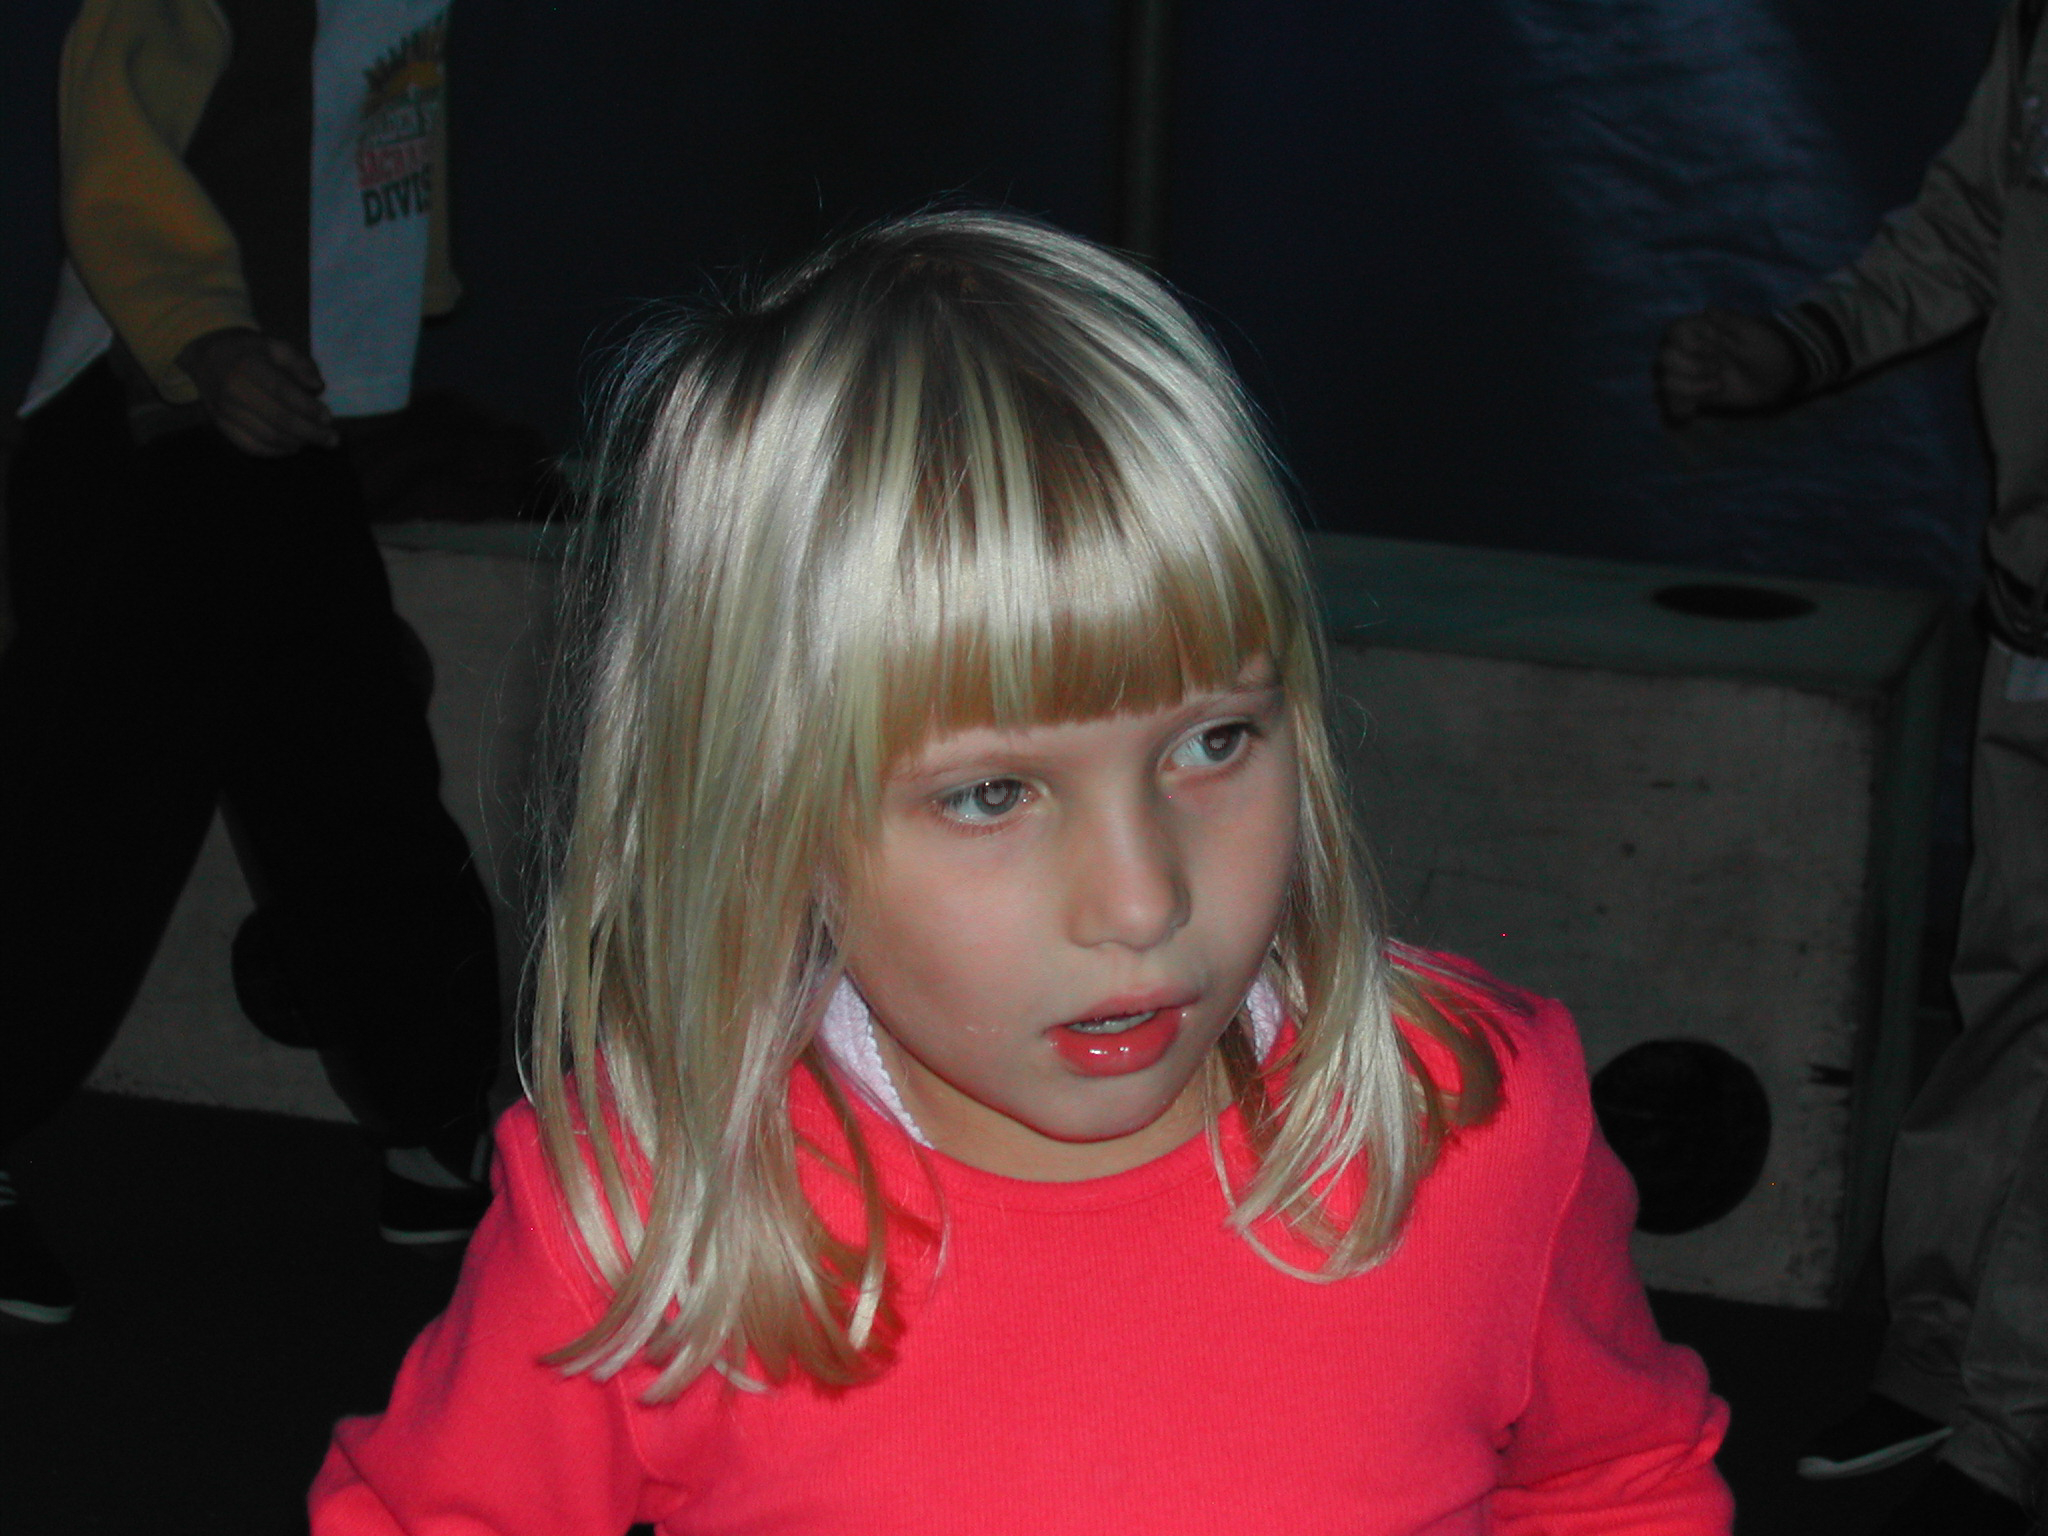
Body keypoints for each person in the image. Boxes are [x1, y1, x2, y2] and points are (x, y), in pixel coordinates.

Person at [308, 212, 1732, 1534]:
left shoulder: (1477, 1120)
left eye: (1214, 741)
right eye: (990, 793)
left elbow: (1618, 1481)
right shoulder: (644, 1212)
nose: (1143, 903)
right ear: (759, 816)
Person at [0, 0, 502, 1329]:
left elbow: (367, 152)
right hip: (144, 426)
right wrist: (204, 335)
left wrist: (388, 321)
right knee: (84, 822)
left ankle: (435, 1120)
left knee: (360, 787)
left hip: (279, 438)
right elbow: (113, 155)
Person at [1655, 4, 2048, 1531]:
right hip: (2031, 626)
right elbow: (1972, 224)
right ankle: (1943, 1360)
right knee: (2002, 1004)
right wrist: (1805, 347)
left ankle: (2009, 1437)